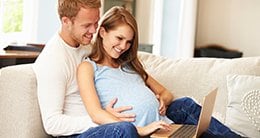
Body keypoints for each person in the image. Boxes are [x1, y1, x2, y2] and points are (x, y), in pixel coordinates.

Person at [77, 6, 242, 137]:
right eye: (119, 39)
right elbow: (96, 113)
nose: (123, 47)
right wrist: (140, 130)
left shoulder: (130, 65)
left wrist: (162, 100)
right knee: (126, 129)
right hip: (134, 131)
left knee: (185, 104)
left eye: (129, 42)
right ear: (103, 32)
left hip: (161, 126)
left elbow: (166, 94)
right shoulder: (89, 67)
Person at [33, 0, 139, 137]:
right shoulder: (53, 60)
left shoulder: (87, 46)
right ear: (66, 21)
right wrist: (102, 119)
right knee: (124, 129)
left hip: (103, 121)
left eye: (96, 23)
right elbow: (52, 124)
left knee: (175, 107)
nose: (94, 30)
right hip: (79, 133)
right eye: (87, 25)